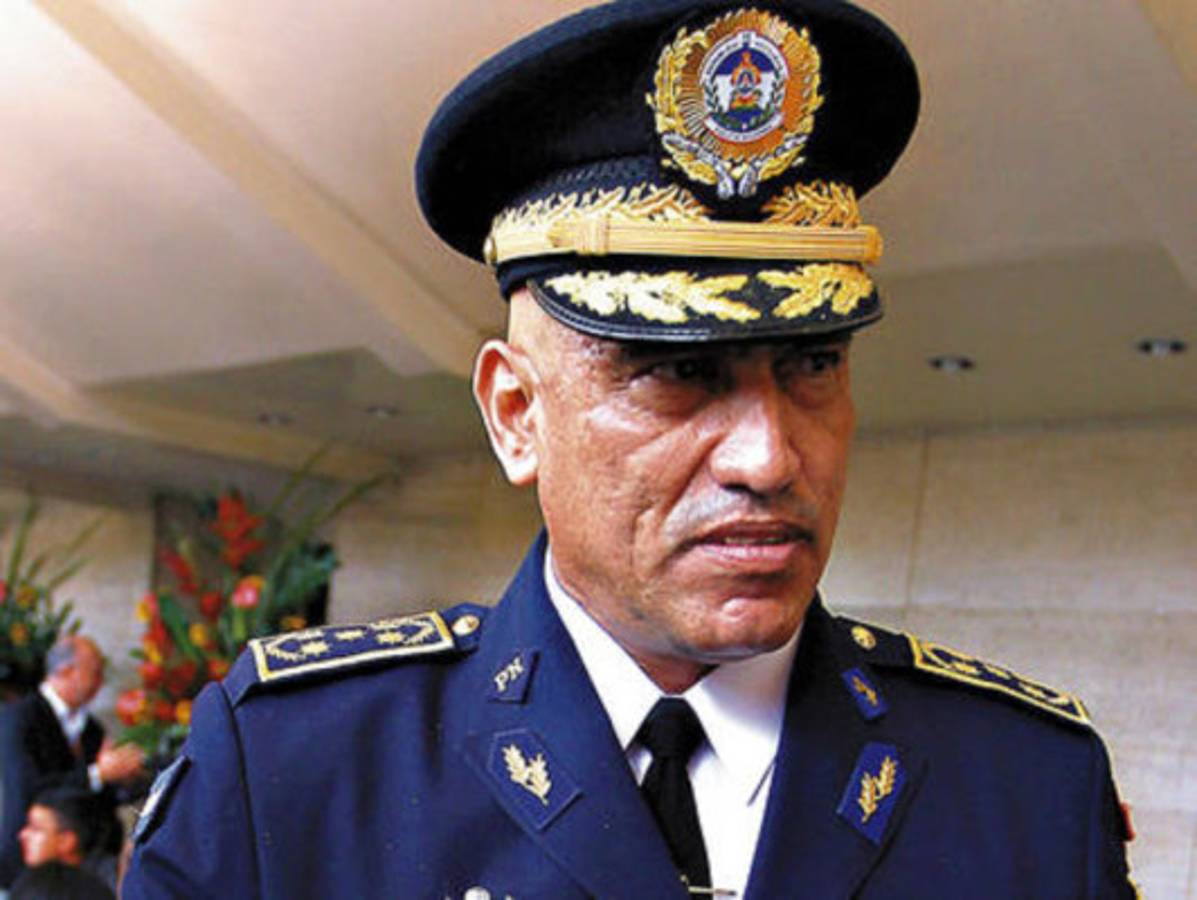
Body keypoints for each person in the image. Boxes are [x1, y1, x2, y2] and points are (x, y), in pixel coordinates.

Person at [124, 1, 1137, 897]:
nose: (768, 459)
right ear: (516, 415)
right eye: (678, 372)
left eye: (812, 363)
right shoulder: (293, 771)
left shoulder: (1028, 787)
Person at [0, 638, 143, 888]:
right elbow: (28, 789)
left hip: (88, 866)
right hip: (30, 868)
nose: (100, 683)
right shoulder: (19, 718)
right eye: (95, 673)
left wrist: (124, 778)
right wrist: (98, 774)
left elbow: (97, 796)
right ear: (65, 671)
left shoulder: (91, 729)